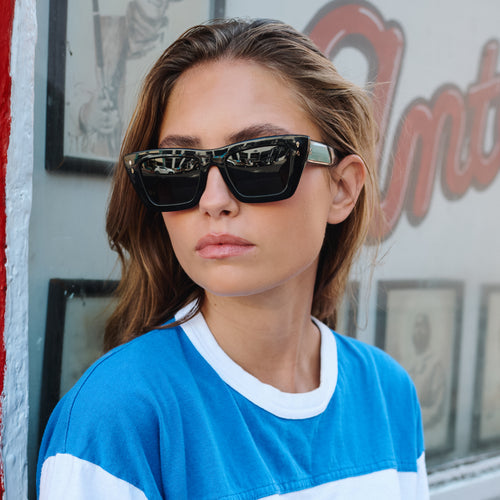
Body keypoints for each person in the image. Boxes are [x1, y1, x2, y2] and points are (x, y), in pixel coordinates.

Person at [37, 18, 429, 499]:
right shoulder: (118, 417)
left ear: (342, 188)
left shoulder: (387, 395)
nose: (213, 200)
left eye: (259, 158)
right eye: (178, 167)